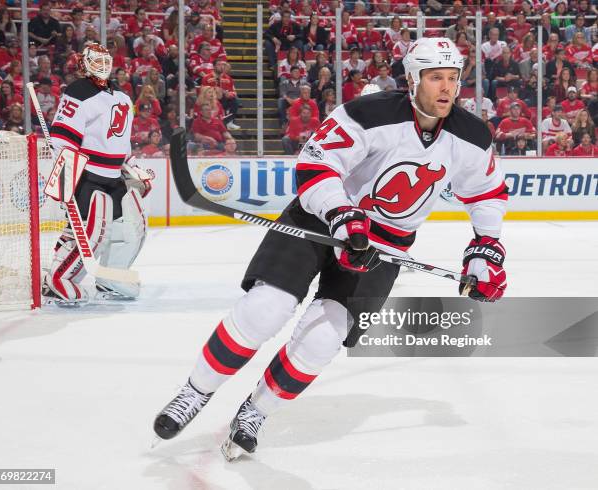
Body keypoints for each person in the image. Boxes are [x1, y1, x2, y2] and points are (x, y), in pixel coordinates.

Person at [153, 37, 508, 461]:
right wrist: (342, 213)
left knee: (325, 337)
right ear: (413, 79)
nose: (446, 88)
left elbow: (486, 192)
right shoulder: (368, 113)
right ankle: (194, 393)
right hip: (320, 220)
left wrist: (486, 248)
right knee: (266, 307)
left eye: (452, 78)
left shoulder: (470, 135)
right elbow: (316, 165)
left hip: (383, 246)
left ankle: (255, 412)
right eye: (435, 78)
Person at [44, 43, 151, 305]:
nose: (103, 66)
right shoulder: (78, 91)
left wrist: (131, 166)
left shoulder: (123, 96)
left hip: (115, 175)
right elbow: (63, 139)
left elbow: (122, 140)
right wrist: (67, 175)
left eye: (106, 61)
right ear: (84, 63)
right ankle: (60, 277)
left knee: (133, 227)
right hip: (89, 174)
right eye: (97, 61)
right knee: (92, 232)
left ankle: (111, 277)